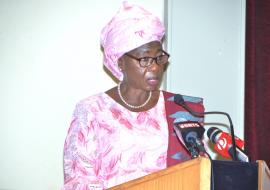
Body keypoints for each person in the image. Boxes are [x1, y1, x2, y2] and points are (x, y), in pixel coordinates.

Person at [62, 2, 205, 190]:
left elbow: (197, 172)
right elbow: (78, 181)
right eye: (144, 59)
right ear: (120, 62)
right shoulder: (92, 111)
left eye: (159, 57)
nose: (155, 67)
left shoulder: (181, 109)